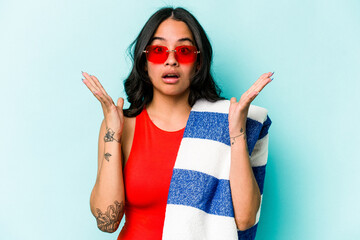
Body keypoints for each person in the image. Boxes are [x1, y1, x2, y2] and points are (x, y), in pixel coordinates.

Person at [82, 6, 272, 239]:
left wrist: (237, 133)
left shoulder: (224, 123)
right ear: (144, 62)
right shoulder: (123, 126)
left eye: (184, 51)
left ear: (199, 63)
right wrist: (112, 134)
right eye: (158, 50)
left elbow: (244, 219)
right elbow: (107, 222)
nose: (171, 60)